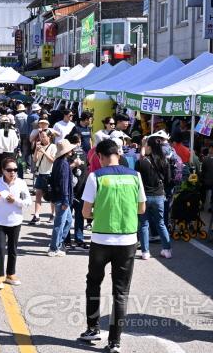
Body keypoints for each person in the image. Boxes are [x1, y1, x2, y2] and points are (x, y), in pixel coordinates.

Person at [79, 139, 147, 353]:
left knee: (94, 283)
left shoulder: (95, 176)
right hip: (127, 240)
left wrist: (99, 213)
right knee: (120, 292)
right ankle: (115, 342)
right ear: (118, 153)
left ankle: (93, 328)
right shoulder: (135, 176)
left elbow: (85, 212)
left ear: (99, 156)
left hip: (101, 239)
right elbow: (142, 208)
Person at [0, 157, 32, 290]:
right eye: (9, 170)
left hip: (15, 221)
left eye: (15, 170)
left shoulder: (21, 183)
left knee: (13, 249)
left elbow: (28, 202)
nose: (12, 172)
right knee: (0, 248)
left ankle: (11, 274)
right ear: (3, 170)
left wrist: (16, 201)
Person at [135, 137, 173, 260]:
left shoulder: (141, 162)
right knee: (161, 223)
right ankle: (167, 250)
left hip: (144, 196)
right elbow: (168, 180)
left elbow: (136, 181)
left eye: (146, 145)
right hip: (159, 196)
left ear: (149, 147)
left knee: (144, 224)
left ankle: (145, 252)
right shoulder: (164, 161)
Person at [47, 140, 77, 257]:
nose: (72, 151)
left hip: (60, 197)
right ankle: (54, 247)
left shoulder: (58, 161)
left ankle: (58, 243)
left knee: (68, 221)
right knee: (59, 223)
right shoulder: (63, 164)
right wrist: (65, 200)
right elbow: (64, 184)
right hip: (62, 198)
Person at [30, 129, 57, 224]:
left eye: (44, 136)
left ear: (49, 137)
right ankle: (36, 215)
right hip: (40, 173)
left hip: (49, 174)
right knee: (38, 195)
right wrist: (36, 150)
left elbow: (52, 160)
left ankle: (53, 214)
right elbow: (34, 160)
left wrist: (44, 152)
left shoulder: (53, 146)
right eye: (41, 136)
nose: (42, 138)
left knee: (51, 196)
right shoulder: (39, 146)